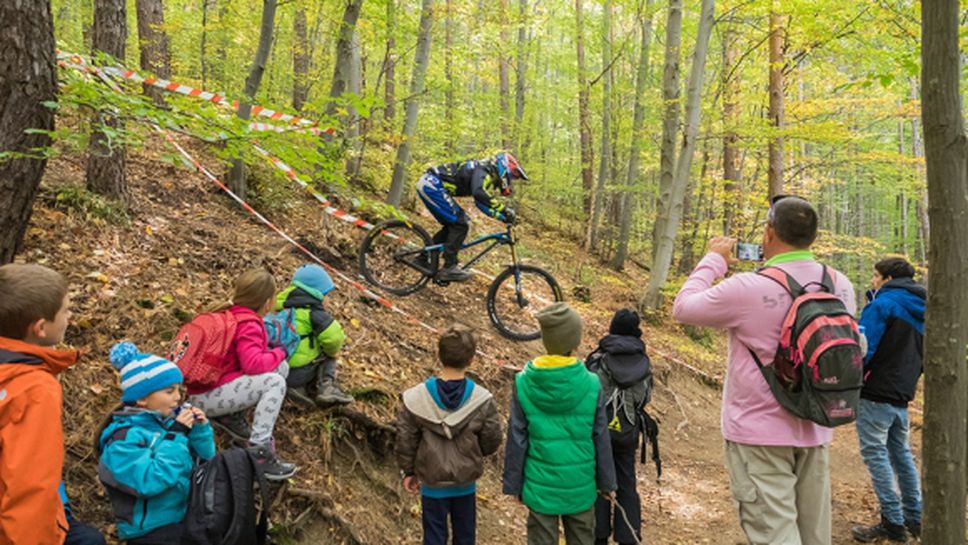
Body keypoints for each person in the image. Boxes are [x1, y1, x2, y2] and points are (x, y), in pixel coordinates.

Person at [672, 196, 857, 545]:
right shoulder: (840, 284)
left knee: (775, 535)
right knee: (815, 535)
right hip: (817, 424)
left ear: (768, 233)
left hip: (759, 434)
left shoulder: (748, 288)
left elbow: (683, 308)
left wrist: (713, 260)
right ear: (812, 237)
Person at [503, 302, 617, 545]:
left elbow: (517, 436)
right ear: (574, 342)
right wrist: (607, 482)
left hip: (540, 486)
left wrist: (514, 484)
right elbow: (600, 436)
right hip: (580, 484)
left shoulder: (524, 382)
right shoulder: (591, 383)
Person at [98, 342, 216, 544]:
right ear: (141, 399)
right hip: (150, 530)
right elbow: (149, 481)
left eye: (179, 390)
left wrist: (200, 432)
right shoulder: (123, 438)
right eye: (169, 391)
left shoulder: (167, 425)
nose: (178, 398)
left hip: (183, 516)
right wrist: (176, 436)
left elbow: (206, 462)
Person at [395, 326, 503, 545]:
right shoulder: (481, 400)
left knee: (434, 537)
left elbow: (406, 439)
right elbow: (492, 438)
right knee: (465, 536)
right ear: (471, 360)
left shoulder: (418, 398)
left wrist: (409, 471)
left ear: (439, 355)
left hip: (432, 483)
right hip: (465, 482)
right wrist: (474, 452)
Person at [187, 268, 297, 480]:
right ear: (267, 301)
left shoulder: (231, 315)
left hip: (200, 392)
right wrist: (281, 350)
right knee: (275, 382)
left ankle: (230, 415)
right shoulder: (249, 324)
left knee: (280, 369)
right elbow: (253, 364)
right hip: (205, 399)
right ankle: (260, 452)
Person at [0, 263, 81, 544]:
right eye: (65, 310)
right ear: (40, 328)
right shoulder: (34, 389)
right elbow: (28, 487)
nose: (70, 316)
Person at [850, 258, 924, 543]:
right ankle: (914, 518)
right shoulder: (926, 309)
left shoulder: (882, 305)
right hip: (903, 393)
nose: (872, 281)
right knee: (901, 454)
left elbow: (863, 349)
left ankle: (892, 521)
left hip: (875, 390)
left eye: (875, 275)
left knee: (876, 454)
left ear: (888, 279)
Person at [586, 309, 652, 545]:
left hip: (599, 431)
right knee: (627, 482)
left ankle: (598, 536)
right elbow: (645, 399)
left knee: (599, 481)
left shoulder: (598, 358)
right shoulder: (644, 362)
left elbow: (588, 392)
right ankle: (628, 537)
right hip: (628, 430)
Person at [415, 152, 529, 282]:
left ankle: (423, 258)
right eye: (513, 176)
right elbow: (479, 193)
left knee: (453, 225)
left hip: (431, 184)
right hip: (432, 184)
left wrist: (502, 217)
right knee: (460, 223)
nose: (511, 180)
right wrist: (504, 209)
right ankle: (449, 267)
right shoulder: (483, 170)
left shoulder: (485, 172)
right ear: (505, 167)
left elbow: (480, 204)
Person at [274, 264, 353, 407]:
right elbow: (335, 338)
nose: (328, 300)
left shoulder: (280, 304)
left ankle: (297, 390)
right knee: (328, 356)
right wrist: (332, 352)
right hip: (298, 373)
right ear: (317, 293)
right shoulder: (314, 313)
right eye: (326, 295)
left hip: (275, 368)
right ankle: (326, 387)